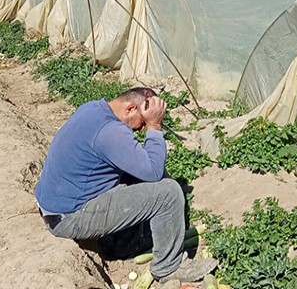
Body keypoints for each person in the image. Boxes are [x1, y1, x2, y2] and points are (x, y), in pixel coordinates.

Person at [34, 87, 216, 284]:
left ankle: (123, 244)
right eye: (143, 122)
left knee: (143, 175)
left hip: (57, 206)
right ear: (130, 109)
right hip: (68, 218)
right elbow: (153, 173)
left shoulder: (93, 109)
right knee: (168, 194)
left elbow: (146, 169)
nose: (142, 129)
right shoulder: (111, 132)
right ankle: (168, 268)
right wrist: (155, 125)